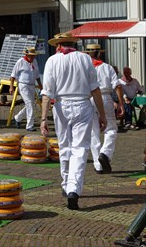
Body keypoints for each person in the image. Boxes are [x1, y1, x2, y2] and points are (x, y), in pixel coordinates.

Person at [40, 33, 107, 211]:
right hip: (83, 104)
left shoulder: (52, 61)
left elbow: (47, 92)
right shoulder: (85, 59)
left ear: (59, 45)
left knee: (65, 146)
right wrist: (102, 114)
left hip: (61, 105)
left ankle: (66, 183)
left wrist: (43, 118)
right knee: (80, 148)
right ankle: (73, 189)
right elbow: (95, 89)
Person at [85, 43, 124, 174]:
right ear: (100, 53)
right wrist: (121, 103)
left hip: (88, 99)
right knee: (111, 129)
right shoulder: (107, 68)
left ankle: (98, 165)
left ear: (87, 53)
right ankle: (105, 153)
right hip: (105, 97)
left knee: (93, 132)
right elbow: (117, 86)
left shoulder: (84, 68)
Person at [9, 47, 43, 131]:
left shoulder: (35, 61)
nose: (32, 57)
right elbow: (13, 75)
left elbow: (37, 75)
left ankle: (18, 118)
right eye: (30, 56)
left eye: (33, 56)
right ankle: (29, 126)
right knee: (30, 104)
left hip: (32, 85)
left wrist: (40, 86)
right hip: (23, 85)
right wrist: (11, 87)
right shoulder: (20, 61)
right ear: (26, 55)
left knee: (30, 104)